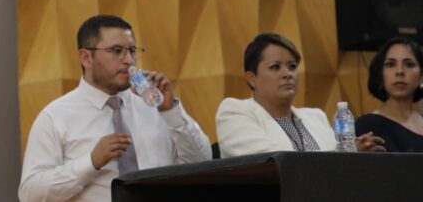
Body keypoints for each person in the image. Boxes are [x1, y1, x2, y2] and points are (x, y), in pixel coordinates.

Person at [19, 14, 212, 201]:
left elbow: (202, 164)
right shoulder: (55, 117)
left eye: (132, 50)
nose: (129, 60)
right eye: (117, 50)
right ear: (86, 58)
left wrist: (170, 111)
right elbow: (30, 194)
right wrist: (90, 162)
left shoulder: (155, 108)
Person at [216, 33, 385, 158]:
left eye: (292, 66)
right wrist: (345, 155)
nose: (287, 74)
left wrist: (355, 151)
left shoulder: (315, 117)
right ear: (252, 78)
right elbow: (271, 161)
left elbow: (337, 164)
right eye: (275, 67)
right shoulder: (234, 111)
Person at [356, 37, 423, 152]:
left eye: (409, 64)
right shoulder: (368, 125)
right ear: (380, 75)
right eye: (390, 64)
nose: (400, 71)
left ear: (422, 76)